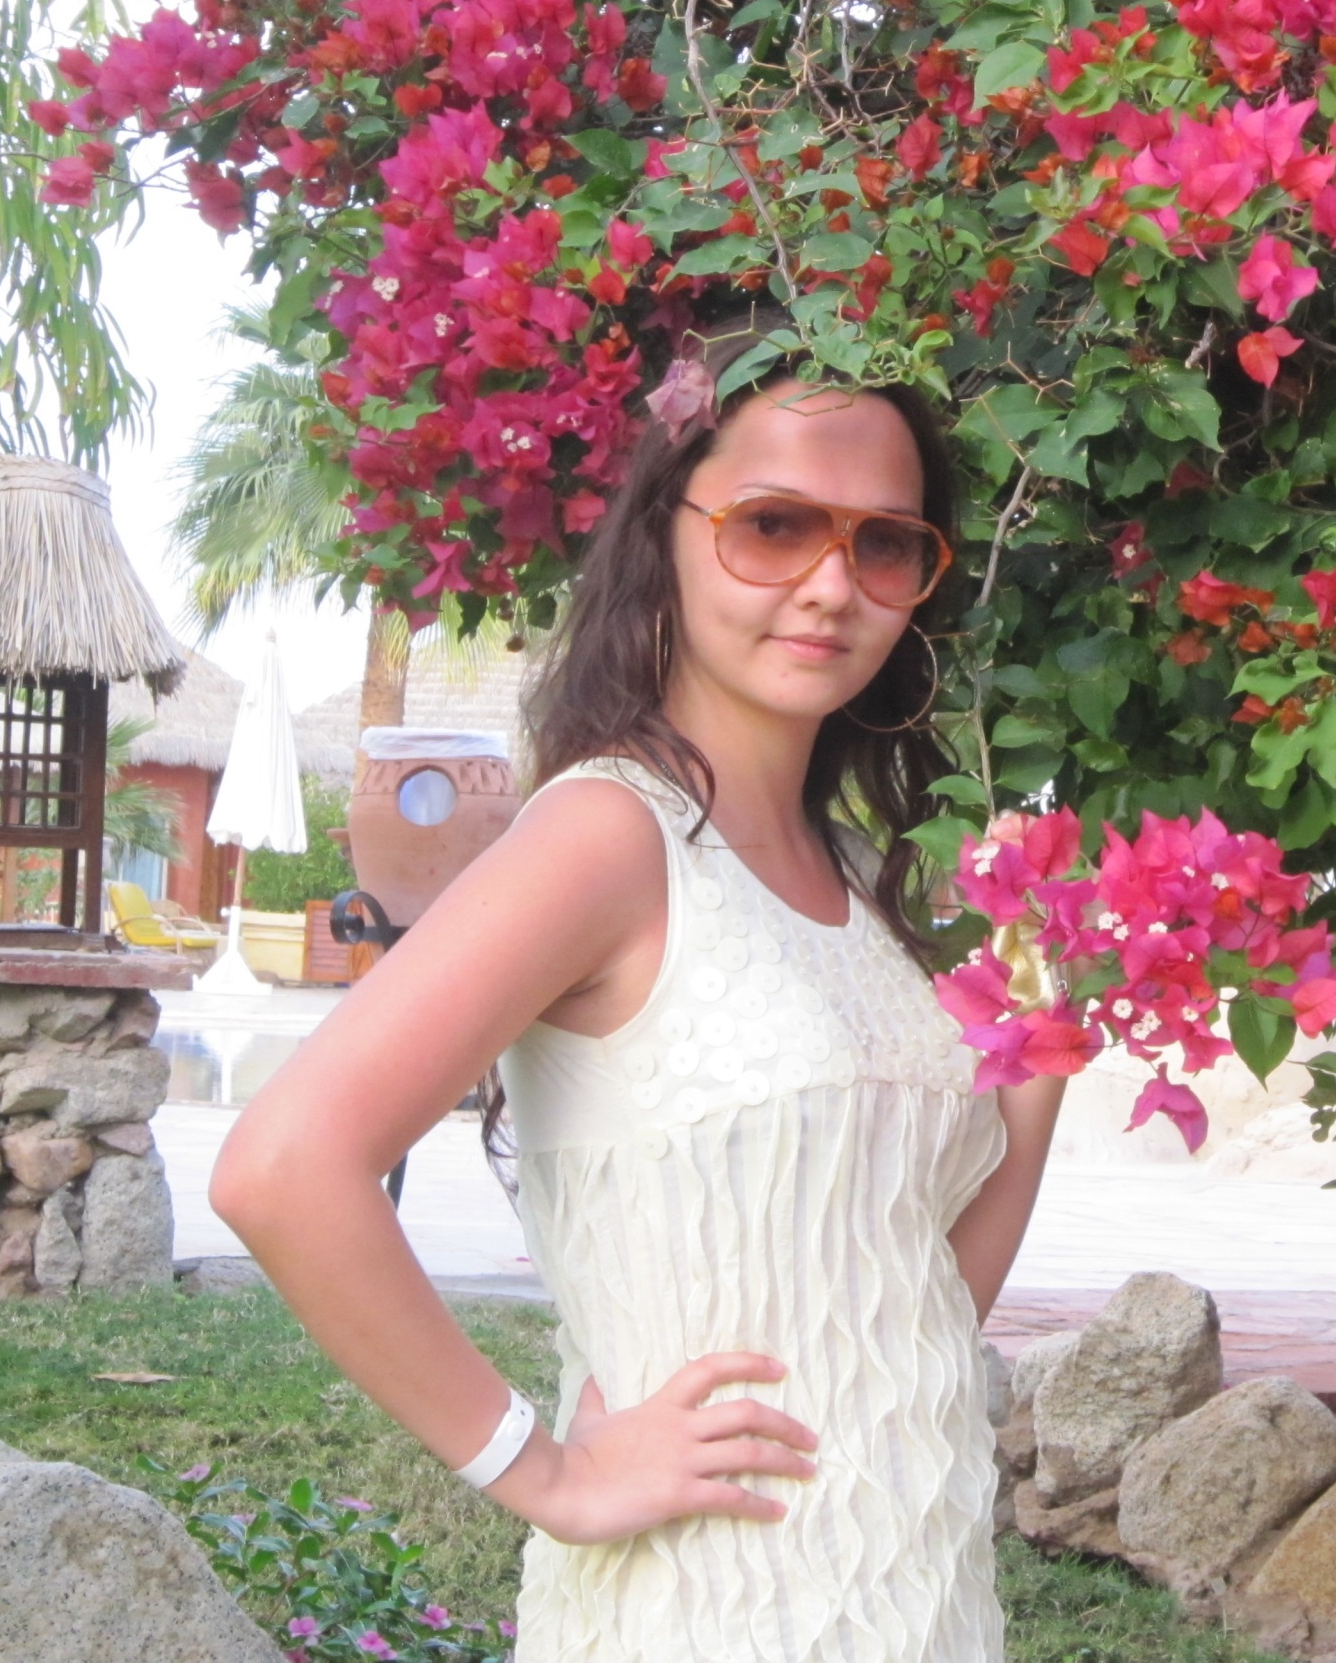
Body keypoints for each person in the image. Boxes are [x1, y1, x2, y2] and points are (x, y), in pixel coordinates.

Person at [211, 314, 1065, 1661]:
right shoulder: (609, 837)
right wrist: (543, 1470)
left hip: (917, 1606)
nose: (832, 586)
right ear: (667, 532)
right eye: (775, 526)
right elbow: (282, 1167)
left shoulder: (859, 880)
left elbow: (916, 1315)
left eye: (885, 543)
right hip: (705, 1613)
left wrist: (1034, 1082)